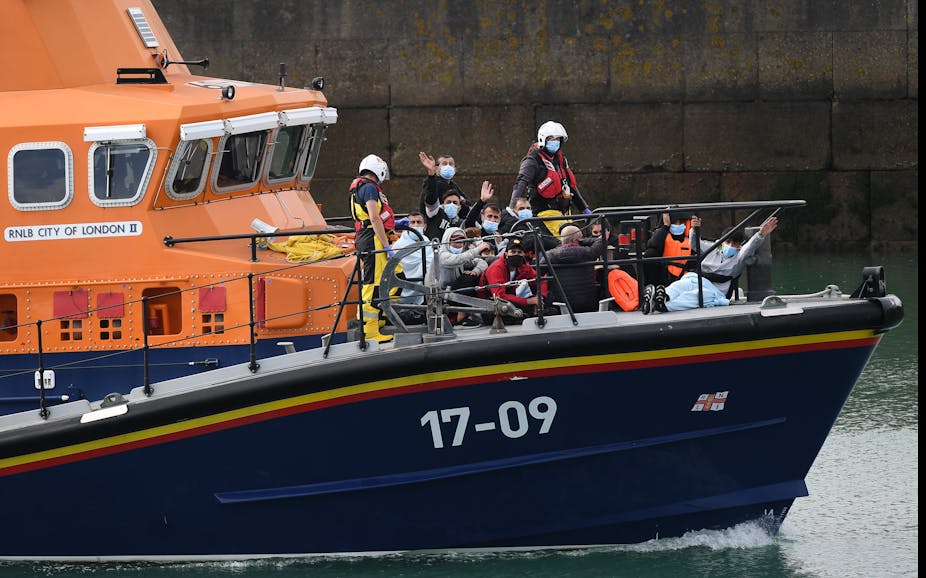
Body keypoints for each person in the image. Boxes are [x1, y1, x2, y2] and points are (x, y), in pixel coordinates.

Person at [640, 215, 779, 313]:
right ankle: (662, 296)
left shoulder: (739, 256)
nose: (731, 246)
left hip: (716, 291)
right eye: (728, 242)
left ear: (739, 245)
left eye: (735, 244)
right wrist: (694, 229)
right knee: (679, 286)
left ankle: (664, 306)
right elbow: (695, 243)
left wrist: (760, 234)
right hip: (696, 278)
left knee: (696, 296)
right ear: (722, 241)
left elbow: (749, 247)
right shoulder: (714, 247)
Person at [508, 120, 592, 236]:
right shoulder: (532, 160)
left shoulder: (560, 159)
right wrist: (512, 207)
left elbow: (570, 186)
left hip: (564, 214)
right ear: (543, 139)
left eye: (558, 139)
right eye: (551, 139)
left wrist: (585, 209)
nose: (555, 142)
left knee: (576, 237)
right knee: (569, 239)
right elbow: (521, 182)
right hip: (545, 215)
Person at [349, 154, 397, 343]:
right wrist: (386, 245)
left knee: (396, 275)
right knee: (372, 284)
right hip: (372, 239)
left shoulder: (361, 186)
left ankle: (380, 316)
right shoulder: (369, 188)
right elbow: (374, 217)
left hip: (368, 236)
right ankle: (370, 330)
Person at [427, 227, 491, 327]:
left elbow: (482, 262)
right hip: (440, 296)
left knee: (472, 276)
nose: (459, 245)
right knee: (466, 278)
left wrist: (475, 271)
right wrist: (478, 249)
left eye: (462, 242)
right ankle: (461, 317)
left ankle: (479, 312)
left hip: (452, 292)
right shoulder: (441, 255)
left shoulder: (462, 255)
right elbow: (457, 260)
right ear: (447, 241)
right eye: (456, 241)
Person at [478, 238, 549, 323]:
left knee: (549, 296)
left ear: (523, 254)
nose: (516, 254)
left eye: (519, 252)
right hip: (492, 305)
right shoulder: (496, 268)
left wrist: (540, 298)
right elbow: (499, 296)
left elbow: (540, 280)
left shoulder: (524, 266)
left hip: (514, 298)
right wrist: (529, 301)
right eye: (513, 251)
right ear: (506, 254)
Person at [542, 224, 606, 313]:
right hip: (588, 304)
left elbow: (538, 273)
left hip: (559, 306)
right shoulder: (588, 252)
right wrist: (582, 240)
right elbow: (600, 241)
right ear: (578, 239)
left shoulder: (550, 255)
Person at [418, 151, 472, 241]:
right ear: (436, 168)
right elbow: (430, 199)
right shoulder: (433, 183)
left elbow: (467, 202)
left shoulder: (453, 185)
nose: (448, 166)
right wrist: (431, 174)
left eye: (451, 164)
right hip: (434, 227)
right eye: (444, 164)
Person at [643, 211, 692, 288]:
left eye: (681, 222)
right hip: (663, 278)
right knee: (650, 254)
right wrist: (665, 227)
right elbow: (652, 245)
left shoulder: (691, 238)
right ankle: (652, 289)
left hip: (684, 279)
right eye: (674, 222)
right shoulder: (662, 235)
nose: (678, 225)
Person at [391, 211, 432, 306]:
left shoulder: (428, 242)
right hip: (406, 287)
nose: (416, 225)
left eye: (419, 222)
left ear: (425, 226)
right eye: (412, 222)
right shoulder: (399, 246)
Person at [463, 182, 507, 254]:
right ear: (482, 217)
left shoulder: (500, 236)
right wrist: (482, 201)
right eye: (489, 216)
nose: (492, 220)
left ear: (500, 219)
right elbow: (469, 220)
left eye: (496, 217)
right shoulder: (475, 232)